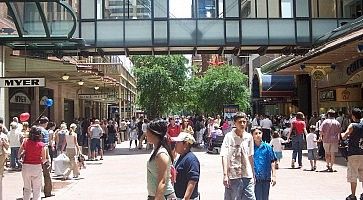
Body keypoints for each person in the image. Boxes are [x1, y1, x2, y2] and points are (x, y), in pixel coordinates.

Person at [220, 112, 255, 200]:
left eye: (244, 122)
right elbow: (224, 155)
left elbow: (250, 155)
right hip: (233, 175)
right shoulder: (229, 137)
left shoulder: (249, 137)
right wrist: (225, 175)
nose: (242, 124)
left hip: (247, 175)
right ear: (235, 123)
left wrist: (253, 173)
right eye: (240, 122)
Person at [146, 119, 176, 200]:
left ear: (155, 134)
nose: (146, 134)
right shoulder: (156, 150)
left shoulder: (161, 154)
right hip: (155, 195)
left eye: (148, 132)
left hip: (163, 196)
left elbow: (163, 181)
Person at [18, 126, 48, 200]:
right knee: (37, 189)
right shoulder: (42, 145)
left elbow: (19, 153)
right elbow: (43, 159)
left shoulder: (25, 141)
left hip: (26, 166)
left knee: (27, 188)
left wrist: (21, 158)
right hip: (36, 166)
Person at [341, 108, 363, 200]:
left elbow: (345, 136)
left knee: (353, 175)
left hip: (353, 154)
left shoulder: (352, 125)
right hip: (362, 152)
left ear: (353, 116)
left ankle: (353, 196)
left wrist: (342, 134)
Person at [171, 132, 200, 200]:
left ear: (186, 144)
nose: (175, 144)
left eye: (178, 142)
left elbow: (193, 180)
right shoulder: (181, 157)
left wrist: (185, 198)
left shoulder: (191, 159)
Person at [252, 126, 276, 200]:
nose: (258, 135)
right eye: (255, 133)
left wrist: (274, 175)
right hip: (255, 178)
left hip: (266, 177)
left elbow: (272, 161)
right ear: (252, 135)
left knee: (265, 197)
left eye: (259, 133)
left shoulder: (268, 147)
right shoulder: (250, 148)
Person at [38, 116, 53, 197]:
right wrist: (48, 157)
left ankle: (33, 192)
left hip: (35, 154)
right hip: (44, 153)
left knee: (34, 175)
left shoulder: (34, 130)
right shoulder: (45, 131)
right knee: (47, 174)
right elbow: (45, 145)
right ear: (46, 123)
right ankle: (47, 192)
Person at [0, 125, 9, 200]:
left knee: (0, 170)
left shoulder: (4, 136)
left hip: (1, 155)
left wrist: (4, 143)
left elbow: (7, 146)